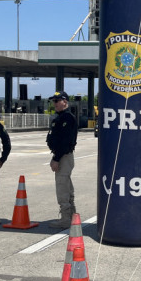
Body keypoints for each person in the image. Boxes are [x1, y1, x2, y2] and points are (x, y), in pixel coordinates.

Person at [46, 91, 78, 229]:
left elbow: (65, 141)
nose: (55, 103)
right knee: (66, 185)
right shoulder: (60, 118)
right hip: (62, 155)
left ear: (65, 101)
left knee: (62, 186)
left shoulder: (67, 118)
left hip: (63, 156)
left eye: (57, 101)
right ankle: (72, 215)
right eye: (54, 101)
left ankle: (66, 218)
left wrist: (56, 158)